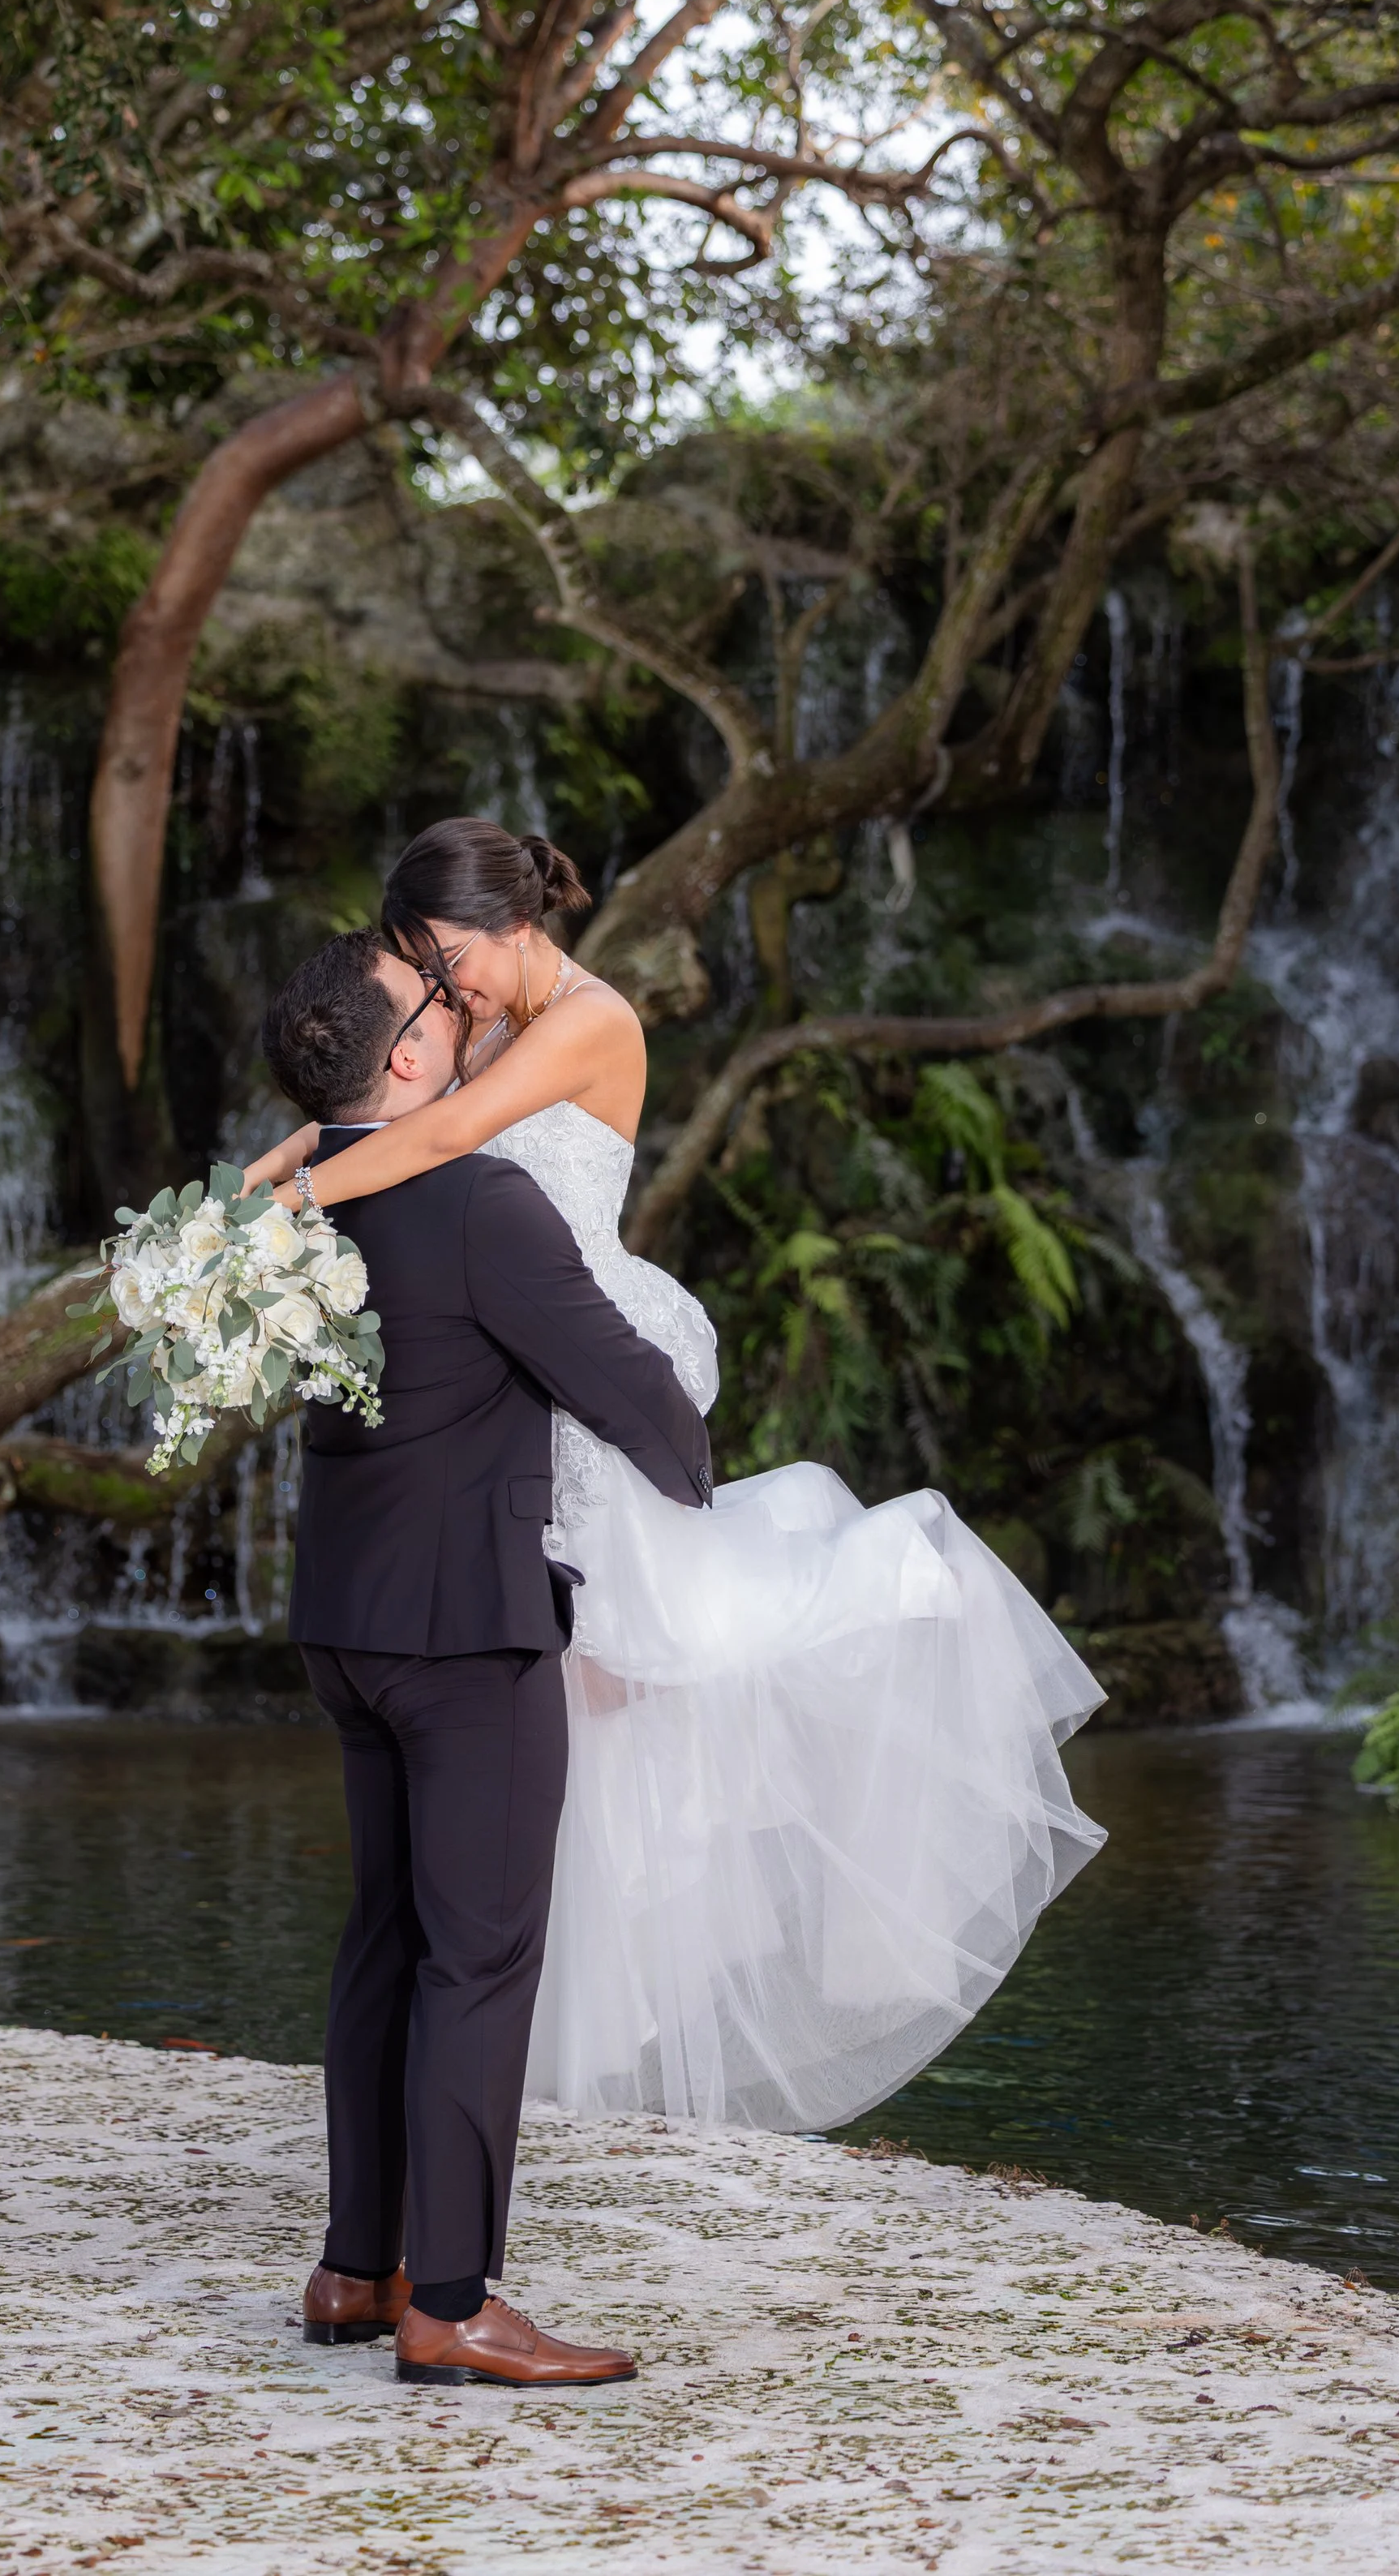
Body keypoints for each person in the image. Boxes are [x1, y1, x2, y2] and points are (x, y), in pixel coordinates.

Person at [249, 819, 1107, 2140]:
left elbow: (447, 1137)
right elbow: (398, 1110)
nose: (440, 989)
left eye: (445, 959)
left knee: (648, 1671)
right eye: (422, 968)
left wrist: (285, 1195)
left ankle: (885, 1600)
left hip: (572, 1347)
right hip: (497, 1376)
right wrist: (295, 1153)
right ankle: (484, 2086)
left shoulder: (594, 1022)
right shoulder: (470, 1017)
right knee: (574, 1713)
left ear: (509, 924)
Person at [263, 926, 711, 2389]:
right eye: (434, 1005)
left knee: (385, 1933)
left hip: (344, 1620)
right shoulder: (479, 1203)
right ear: (403, 1056)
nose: (459, 1013)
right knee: (481, 1954)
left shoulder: (292, 1204)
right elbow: (625, 1387)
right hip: (469, 1629)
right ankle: (448, 2300)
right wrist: (695, 1471)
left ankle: (354, 2264)